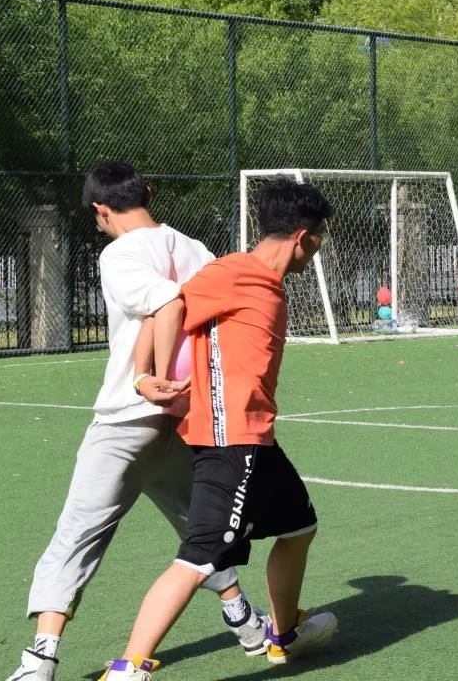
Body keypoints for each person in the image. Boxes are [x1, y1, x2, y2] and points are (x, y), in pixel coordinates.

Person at [5, 162, 269, 681]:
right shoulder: (195, 249)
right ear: (148, 192)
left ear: (101, 210)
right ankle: (246, 623)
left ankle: (40, 659)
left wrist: (151, 375)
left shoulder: (120, 253)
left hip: (130, 419)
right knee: (198, 527)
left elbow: (166, 302)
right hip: (189, 419)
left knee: (77, 533)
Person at [99, 177, 338, 681]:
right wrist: (144, 376)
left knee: (299, 526)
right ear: (303, 237)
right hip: (230, 442)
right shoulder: (232, 274)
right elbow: (164, 307)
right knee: (200, 557)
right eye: (318, 240)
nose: (318, 251)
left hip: (257, 438)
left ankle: (284, 636)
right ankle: (128, 667)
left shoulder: (265, 282)